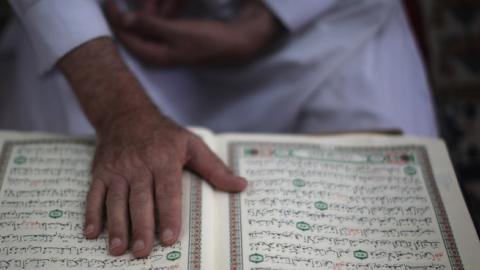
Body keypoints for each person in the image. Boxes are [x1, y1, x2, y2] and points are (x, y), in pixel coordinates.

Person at [1, 0, 438, 258]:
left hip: (322, 28)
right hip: (110, 35)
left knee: (385, 198)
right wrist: (119, 111)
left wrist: (269, 18)